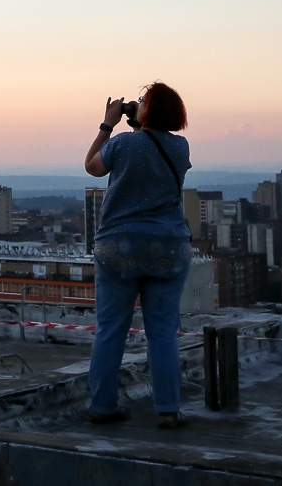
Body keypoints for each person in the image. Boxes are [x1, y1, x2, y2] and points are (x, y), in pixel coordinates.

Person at [83, 81, 192, 429]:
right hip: (168, 246)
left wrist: (107, 125)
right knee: (162, 332)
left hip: (118, 246)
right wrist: (138, 122)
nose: (138, 102)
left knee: (110, 330)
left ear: (149, 110)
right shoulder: (180, 147)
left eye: (142, 100)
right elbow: (151, 147)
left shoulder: (121, 143)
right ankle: (168, 409)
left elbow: (93, 167)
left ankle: (102, 405)